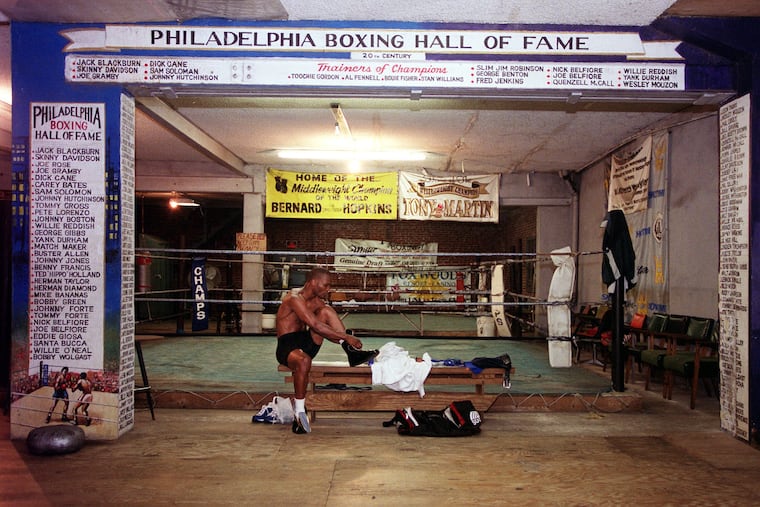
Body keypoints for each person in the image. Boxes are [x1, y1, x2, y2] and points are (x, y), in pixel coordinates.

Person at [275, 267, 376, 434]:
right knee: (303, 360)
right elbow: (315, 325)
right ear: (313, 282)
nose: (328, 289)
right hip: (287, 347)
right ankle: (300, 412)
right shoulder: (294, 298)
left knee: (326, 311)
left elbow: (323, 329)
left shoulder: (317, 302)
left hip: (306, 342)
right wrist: (346, 336)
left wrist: (343, 339)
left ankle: (351, 352)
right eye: (326, 285)